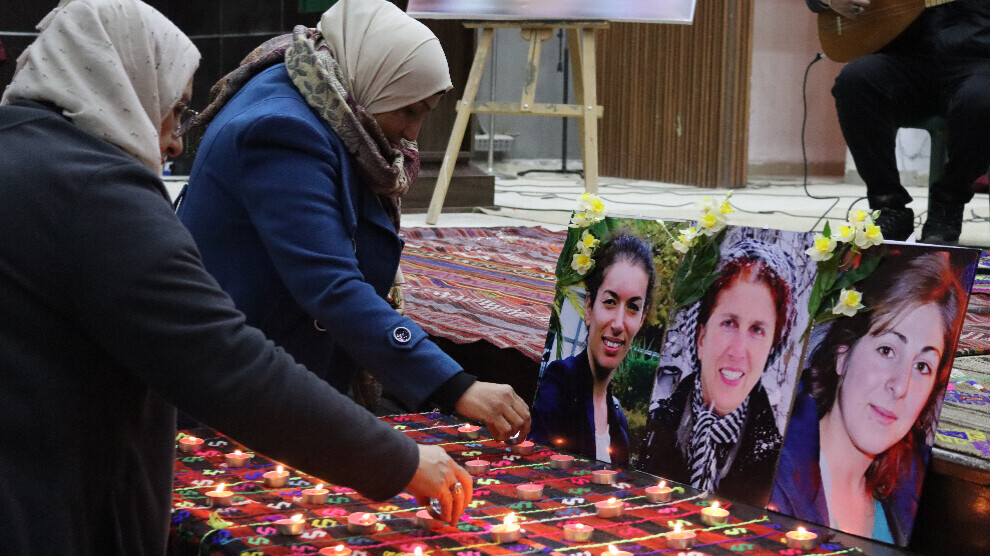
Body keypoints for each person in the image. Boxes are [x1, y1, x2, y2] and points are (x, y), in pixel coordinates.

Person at [0, 1, 471, 552]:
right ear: (121, 85)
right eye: (174, 109)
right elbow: (228, 362)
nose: (176, 142)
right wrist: (398, 460)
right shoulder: (97, 196)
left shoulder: (22, 153)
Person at [176, 0, 529, 442]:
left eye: (425, 112)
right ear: (375, 76)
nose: (413, 135)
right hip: (237, 387)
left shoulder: (317, 85)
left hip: (267, 365)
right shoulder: (282, 130)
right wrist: (456, 386)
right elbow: (330, 283)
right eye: (409, 110)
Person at [771, 250, 963, 546]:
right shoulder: (773, 481)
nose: (900, 386)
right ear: (843, 354)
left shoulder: (910, 496)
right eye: (887, 350)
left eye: (922, 366)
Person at [805, 0, 990, 245]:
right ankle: (889, 206)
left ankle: (948, 204)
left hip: (979, 61)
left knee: (981, 100)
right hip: (904, 57)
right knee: (855, 80)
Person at [641, 239, 794, 507]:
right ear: (701, 338)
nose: (738, 350)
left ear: (771, 349)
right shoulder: (651, 430)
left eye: (757, 330)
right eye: (728, 323)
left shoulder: (780, 469)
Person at [530, 234, 656, 465]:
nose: (618, 324)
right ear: (589, 308)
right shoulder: (560, 384)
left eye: (633, 307)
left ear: (642, 319)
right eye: (610, 302)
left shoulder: (618, 422)